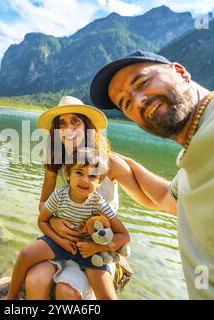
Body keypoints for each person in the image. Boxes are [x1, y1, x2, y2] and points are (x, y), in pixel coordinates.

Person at [89, 50, 214, 299]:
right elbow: (165, 198)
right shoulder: (193, 164)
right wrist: (125, 165)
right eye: (125, 104)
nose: (138, 101)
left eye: (142, 82)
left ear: (180, 72)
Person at [25, 96, 149, 300]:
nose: (68, 129)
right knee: (34, 279)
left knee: (68, 292)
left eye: (75, 121)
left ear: (88, 127)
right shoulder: (55, 162)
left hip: (97, 247)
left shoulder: (110, 163)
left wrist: (131, 164)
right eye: (62, 123)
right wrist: (53, 221)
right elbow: (43, 203)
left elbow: (147, 199)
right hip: (61, 240)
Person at [6, 149, 130, 300]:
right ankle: (11, 296)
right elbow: (42, 220)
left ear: (100, 181)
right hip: (59, 241)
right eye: (79, 173)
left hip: (89, 250)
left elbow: (124, 236)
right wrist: (61, 241)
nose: (85, 180)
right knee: (26, 254)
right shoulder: (59, 195)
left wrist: (96, 247)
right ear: (68, 174)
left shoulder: (99, 203)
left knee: (107, 296)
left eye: (92, 176)